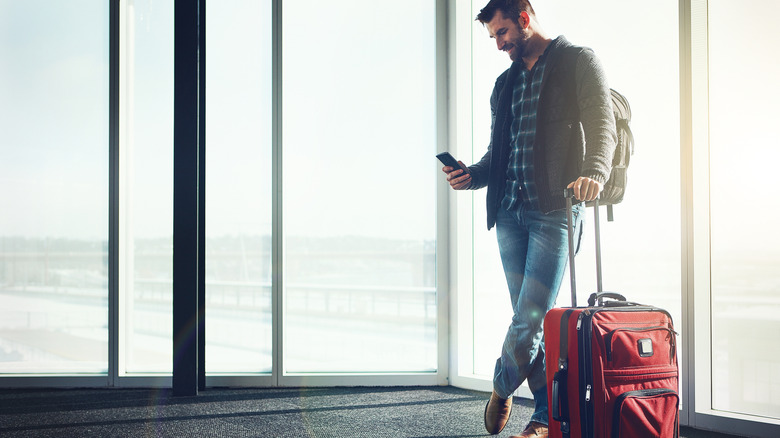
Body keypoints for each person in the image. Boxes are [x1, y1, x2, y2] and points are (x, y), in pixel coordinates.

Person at [441, 1, 617, 437]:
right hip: (509, 214)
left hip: (554, 211)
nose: (498, 45)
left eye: (501, 33)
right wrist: (472, 175)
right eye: (492, 38)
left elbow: (602, 124)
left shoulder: (578, 61)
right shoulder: (504, 84)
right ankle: (544, 418)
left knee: (530, 318)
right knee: (528, 318)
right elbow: (496, 154)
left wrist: (595, 170)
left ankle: (502, 387)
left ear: (523, 18)